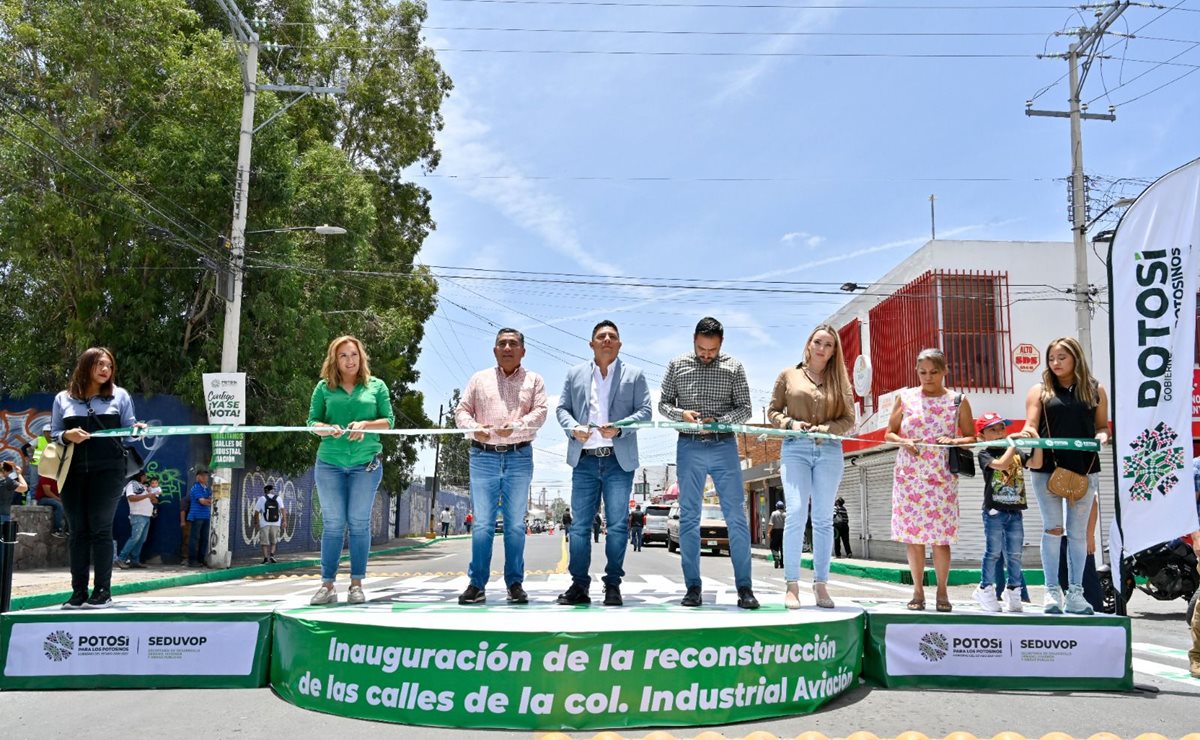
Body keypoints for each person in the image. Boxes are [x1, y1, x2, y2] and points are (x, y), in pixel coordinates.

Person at [659, 316, 759, 609]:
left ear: (721, 344)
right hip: (689, 446)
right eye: (701, 349)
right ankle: (693, 588)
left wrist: (721, 421)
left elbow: (745, 408)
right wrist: (681, 415)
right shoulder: (677, 365)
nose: (706, 355)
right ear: (694, 340)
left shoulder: (734, 367)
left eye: (712, 350)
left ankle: (745, 588)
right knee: (689, 517)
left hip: (723, 445)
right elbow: (663, 404)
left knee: (735, 516)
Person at [554, 319, 653, 607]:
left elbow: (645, 411)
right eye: (601, 336)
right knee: (579, 527)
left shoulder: (635, 375)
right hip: (584, 461)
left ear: (619, 344)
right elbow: (562, 409)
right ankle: (579, 585)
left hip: (618, 463)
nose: (606, 339)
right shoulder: (574, 374)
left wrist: (621, 428)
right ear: (591, 343)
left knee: (618, 526)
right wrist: (573, 428)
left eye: (612, 336)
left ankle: (613, 585)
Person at [454, 328, 548, 606]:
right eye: (502, 343)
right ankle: (477, 584)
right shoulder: (479, 379)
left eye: (513, 343)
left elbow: (541, 412)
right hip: (483, 457)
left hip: (519, 456)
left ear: (523, 351)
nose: (507, 348)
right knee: (482, 523)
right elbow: (462, 410)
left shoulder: (534, 380)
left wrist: (517, 425)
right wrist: (473, 428)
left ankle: (515, 584)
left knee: (515, 525)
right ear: (494, 350)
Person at [1017, 336, 1109, 616]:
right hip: (1047, 468)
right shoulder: (1040, 390)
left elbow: (1102, 426)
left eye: (1062, 357)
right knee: (1053, 528)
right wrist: (1028, 434)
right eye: (1051, 358)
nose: (1055, 363)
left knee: (1078, 533)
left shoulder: (1095, 389)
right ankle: (1051, 591)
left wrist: (1101, 438)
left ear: (1076, 358)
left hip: (1084, 468)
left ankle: (1076, 594)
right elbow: (1031, 425)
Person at [768, 323, 856, 609]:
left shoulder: (840, 381)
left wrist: (826, 429)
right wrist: (792, 424)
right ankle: (792, 585)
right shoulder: (788, 375)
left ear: (833, 351)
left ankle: (821, 585)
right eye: (817, 342)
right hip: (795, 448)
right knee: (795, 513)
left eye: (828, 345)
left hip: (829, 450)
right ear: (809, 344)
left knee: (822, 518)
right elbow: (773, 411)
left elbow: (849, 419)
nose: (821, 348)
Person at [50, 347, 146, 608]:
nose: (106, 370)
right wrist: (66, 435)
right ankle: (78, 593)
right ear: (86, 366)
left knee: (101, 528)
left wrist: (137, 430)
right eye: (100, 364)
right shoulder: (63, 398)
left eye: (109, 366)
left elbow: (128, 432)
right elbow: (54, 432)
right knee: (77, 531)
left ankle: (103, 591)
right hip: (71, 471)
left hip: (109, 471)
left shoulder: (119, 396)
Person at [307, 335, 395, 606]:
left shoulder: (376, 386)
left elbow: (389, 421)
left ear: (361, 357)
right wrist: (326, 429)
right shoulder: (324, 387)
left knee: (358, 523)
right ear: (334, 359)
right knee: (333, 524)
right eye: (343, 355)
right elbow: (312, 422)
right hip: (329, 464)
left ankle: (356, 585)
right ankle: (327, 585)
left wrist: (366, 425)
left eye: (354, 354)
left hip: (365, 464)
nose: (349, 360)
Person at [886, 347, 975, 613]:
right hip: (909, 476)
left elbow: (972, 437)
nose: (928, 377)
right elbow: (889, 434)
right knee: (913, 538)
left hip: (941, 477)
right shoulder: (905, 398)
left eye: (934, 372)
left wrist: (953, 441)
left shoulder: (958, 400)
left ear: (945, 371)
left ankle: (942, 591)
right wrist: (904, 441)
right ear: (916, 371)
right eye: (923, 372)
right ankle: (917, 591)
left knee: (940, 539)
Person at [971, 412, 1038, 613]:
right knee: (993, 552)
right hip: (994, 511)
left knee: (1015, 555)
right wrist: (1012, 443)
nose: (999, 432)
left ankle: (1014, 591)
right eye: (993, 429)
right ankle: (985, 588)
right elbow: (1001, 465)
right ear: (982, 436)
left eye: (1002, 428)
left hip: (1015, 511)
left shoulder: (1015, 451)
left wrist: (1037, 441)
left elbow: (1036, 463)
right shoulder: (985, 453)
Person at [116, 471, 157, 569]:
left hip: (146, 515)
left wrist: (152, 499)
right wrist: (147, 496)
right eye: (144, 476)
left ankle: (135, 560)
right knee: (135, 538)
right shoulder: (132, 485)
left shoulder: (142, 487)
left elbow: (149, 499)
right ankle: (121, 558)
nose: (146, 477)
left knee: (141, 539)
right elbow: (131, 498)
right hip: (138, 515)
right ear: (140, 476)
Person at [186, 469, 212, 567]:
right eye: (203, 476)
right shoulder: (196, 488)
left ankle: (201, 559)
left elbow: (210, 499)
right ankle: (192, 560)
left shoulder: (206, 488)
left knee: (204, 539)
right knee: (194, 538)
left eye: (206, 476)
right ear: (198, 477)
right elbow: (202, 501)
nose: (205, 477)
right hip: (197, 516)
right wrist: (209, 501)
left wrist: (208, 500)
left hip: (206, 515)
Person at [255, 484, 286, 563]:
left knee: (264, 542)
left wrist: (256, 523)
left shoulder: (262, 498)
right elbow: (283, 510)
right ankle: (272, 555)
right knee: (274, 541)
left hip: (264, 523)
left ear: (265, 491)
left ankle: (265, 558)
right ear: (272, 490)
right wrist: (284, 521)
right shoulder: (278, 498)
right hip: (276, 522)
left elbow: (256, 512)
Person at [768, 501, 785, 570]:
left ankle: (776, 557)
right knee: (783, 548)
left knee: (773, 546)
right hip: (784, 532)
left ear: (777, 507)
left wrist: (768, 532)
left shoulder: (774, 513)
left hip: (775, 532)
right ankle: (782, 563)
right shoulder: (786, 514)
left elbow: (771, 524)